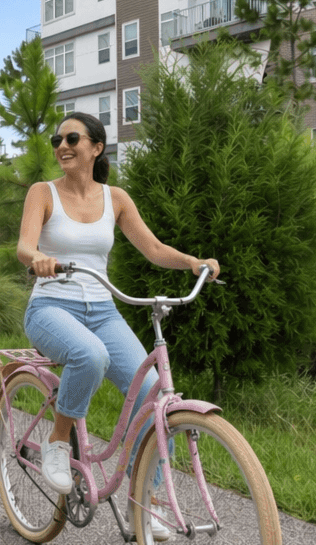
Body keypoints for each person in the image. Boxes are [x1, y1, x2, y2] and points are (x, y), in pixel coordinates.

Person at [15, 111, 218, 506]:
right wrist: (38, 259)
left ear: (96, 147)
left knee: (154, 395)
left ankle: (149, 499)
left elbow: (154, 249)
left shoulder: (116, 199)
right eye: (57, 141)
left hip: (103, 311)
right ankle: (58, 440)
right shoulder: (43, 192)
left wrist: (194, 262)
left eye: (71, 139)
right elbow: (25, 246)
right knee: (90, 356)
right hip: (51, 306)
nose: (62, 147)